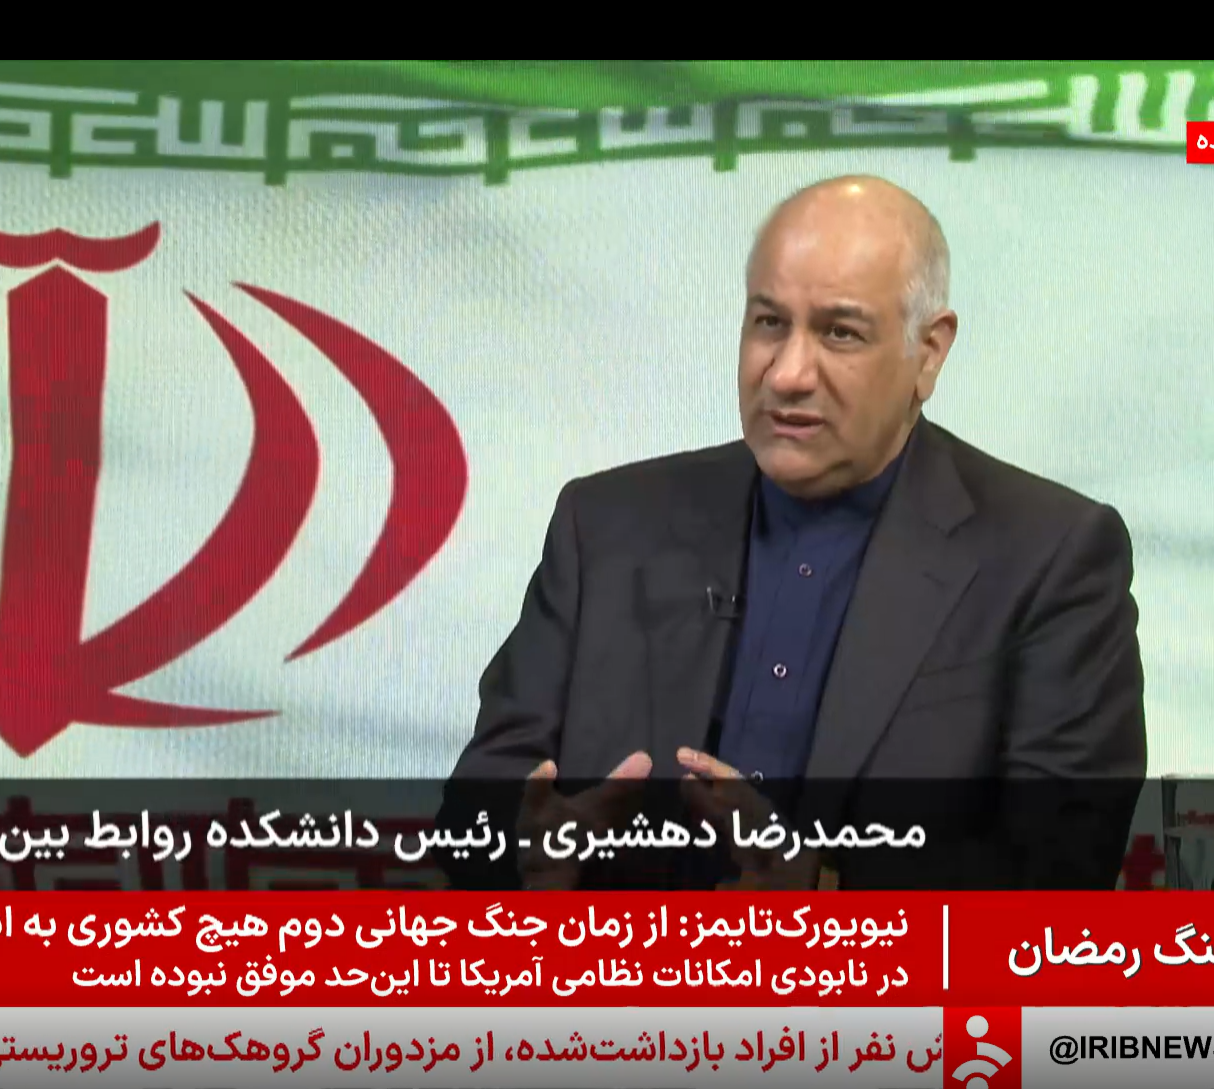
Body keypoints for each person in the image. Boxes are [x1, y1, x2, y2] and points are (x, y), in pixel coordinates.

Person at [446, 175, 1147, 890]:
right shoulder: (604, 523)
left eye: (840, 332)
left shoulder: (1051, 556)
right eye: (769, 322)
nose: (786, 374)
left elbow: (1060, 869)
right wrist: (519, 844)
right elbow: (482, 797)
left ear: (929, 351)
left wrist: (822, 886)